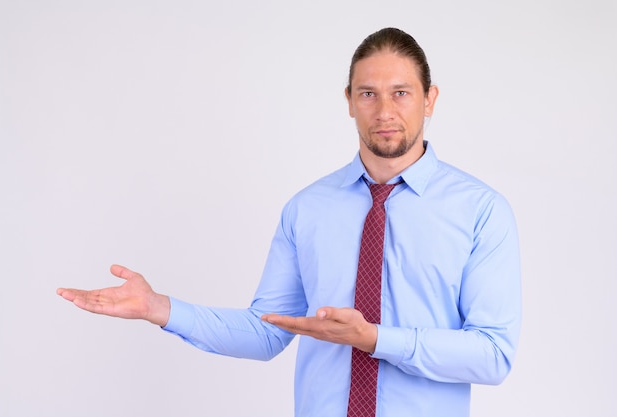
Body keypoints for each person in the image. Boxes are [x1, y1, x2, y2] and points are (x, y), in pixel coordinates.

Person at [57, 27, 521, 417]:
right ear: (349, 101)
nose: (384, 111)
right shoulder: (308, 208)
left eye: (401, 93)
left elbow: (493, 355)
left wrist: (375, 339)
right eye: (368, 94)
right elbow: (266, 332)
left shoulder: (480, 210)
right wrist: (160, 308)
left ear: (429, 99)